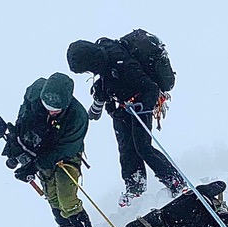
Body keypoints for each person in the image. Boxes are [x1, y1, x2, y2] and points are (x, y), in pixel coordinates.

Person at [66, 37, 186, 207]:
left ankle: (176, 181)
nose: (87, 73)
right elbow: (105, 82)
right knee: (126, 146)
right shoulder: (103, 59)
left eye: (85, 70)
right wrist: (102, 104)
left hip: (140, 104)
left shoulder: (123, 64)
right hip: (122, 105)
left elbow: (150, 88)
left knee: (142, 147)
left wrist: (142, 108)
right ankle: (134, 186)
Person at [9, 72, 98, 227]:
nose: (50, 111)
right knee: (51, 193)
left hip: (66, 154)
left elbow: (66, 148)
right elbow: (24, 116)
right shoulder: (34, 92)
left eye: (55, 110)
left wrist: (35, 165)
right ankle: (65, 225)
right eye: (46, 106)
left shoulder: (78, 117)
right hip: (41, 147)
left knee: (66, 195)